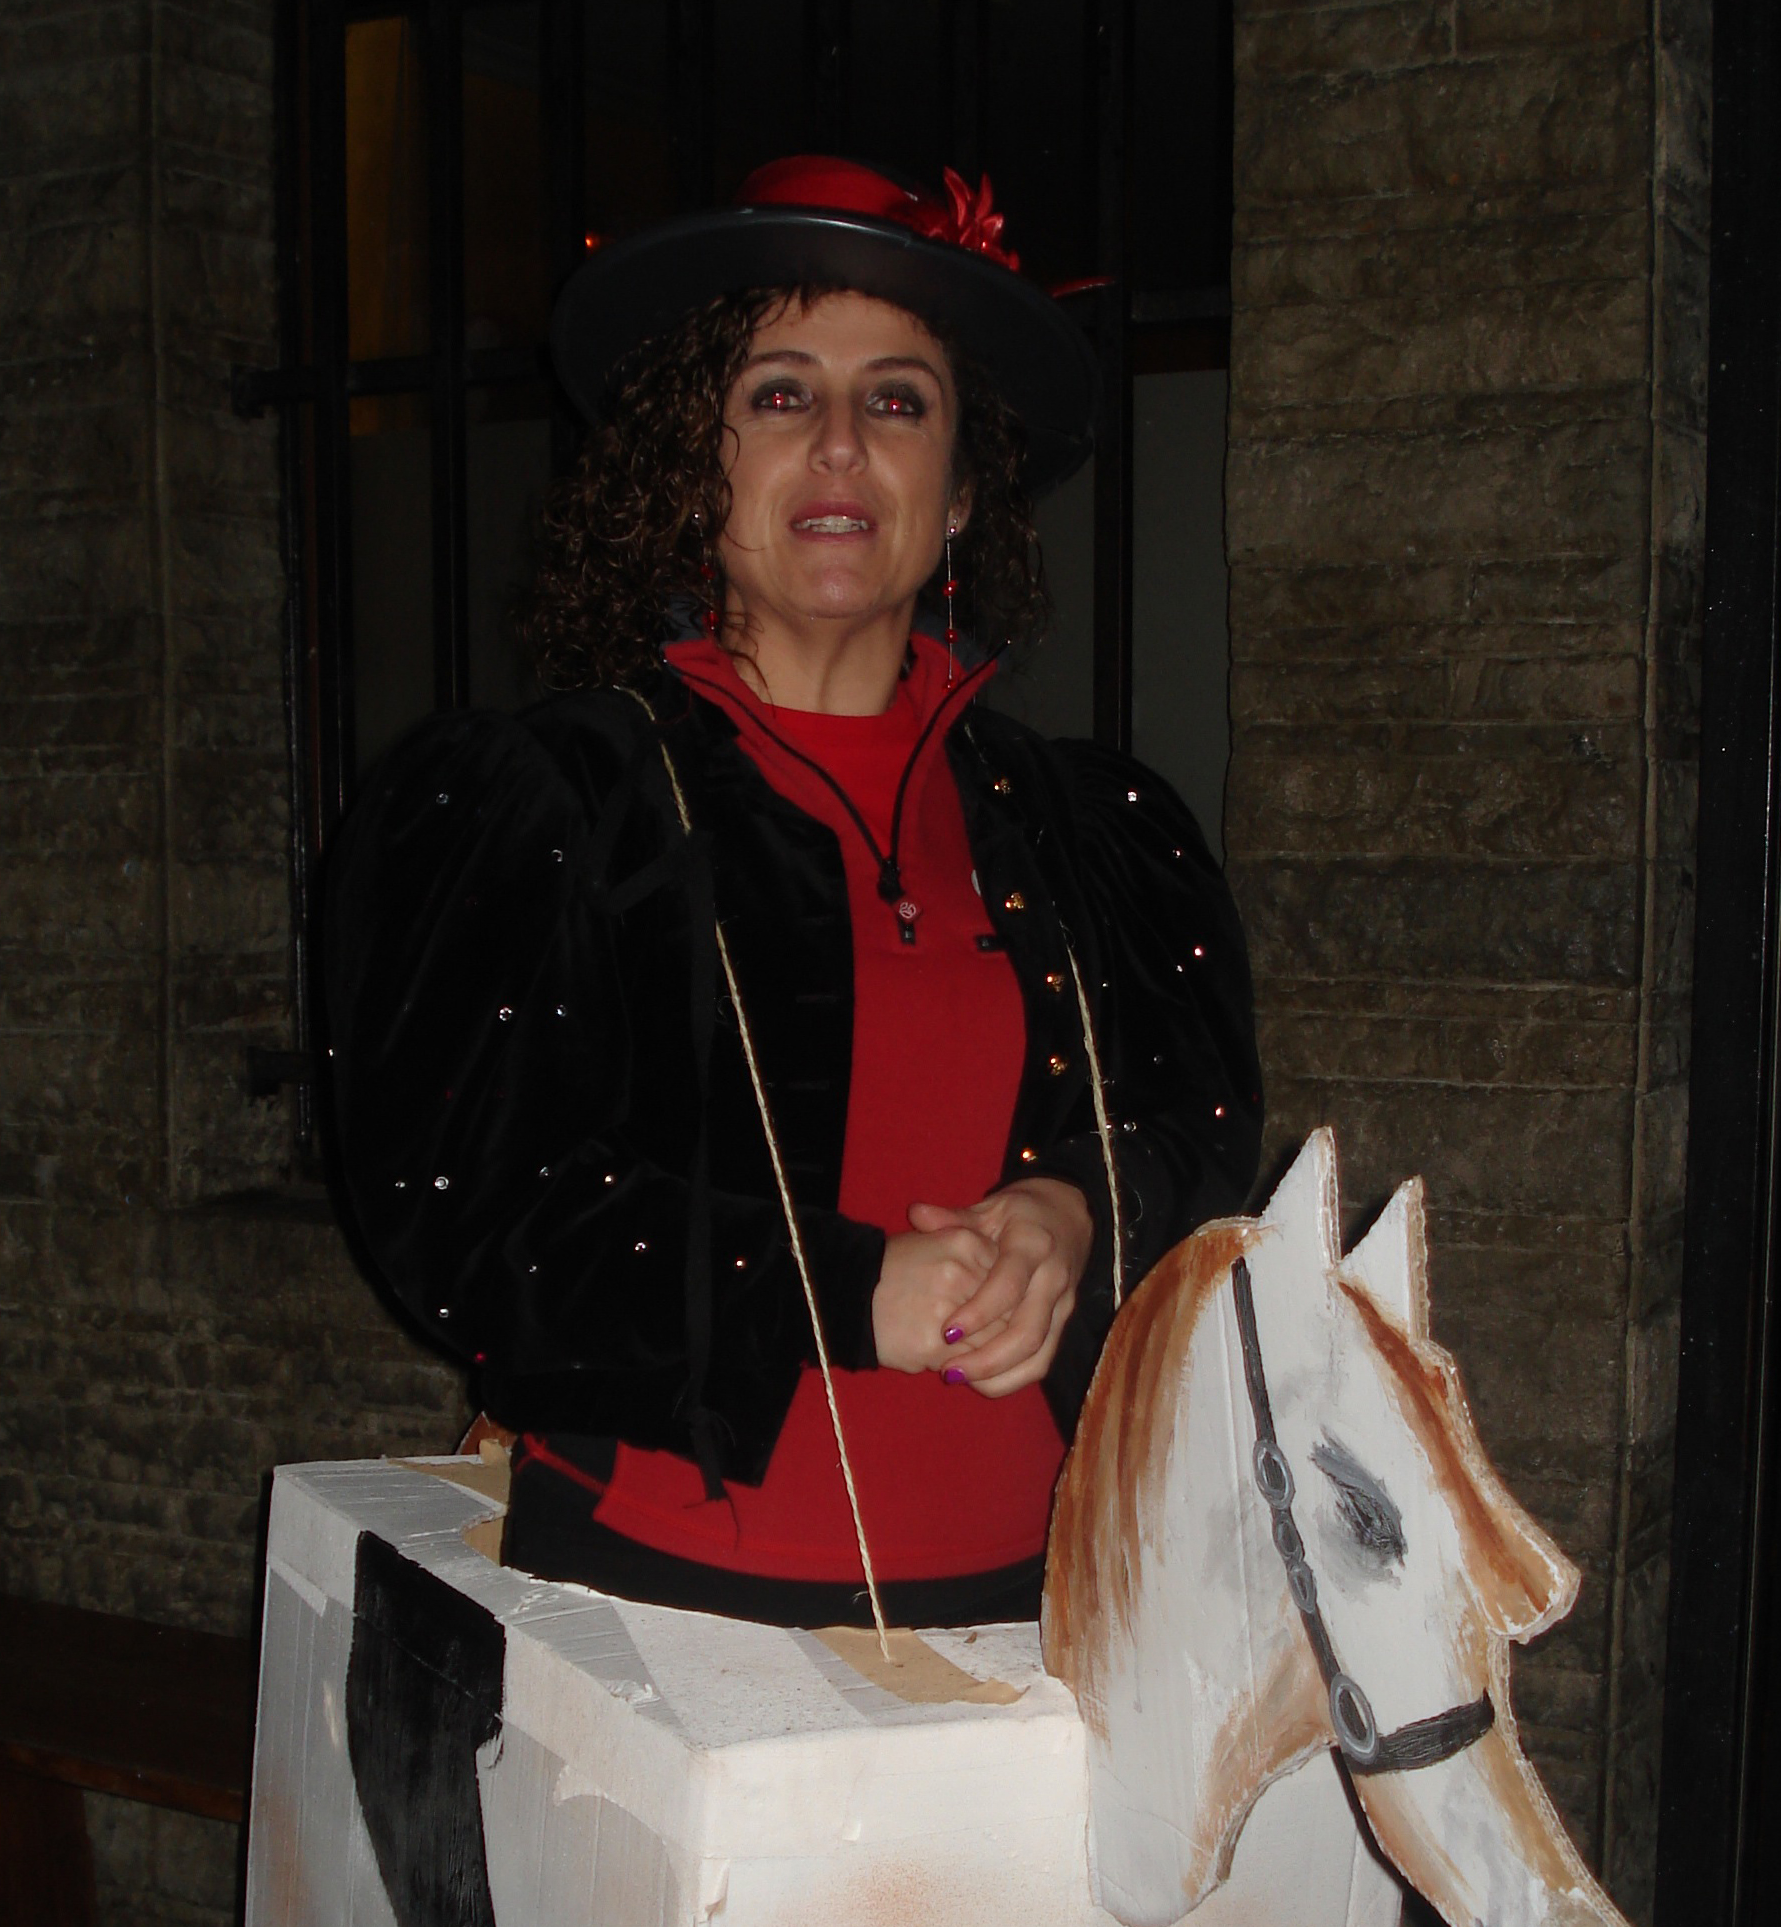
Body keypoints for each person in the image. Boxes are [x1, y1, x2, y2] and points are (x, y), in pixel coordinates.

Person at [324, 154, 1261, 1632]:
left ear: (961, 491)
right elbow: (475, 1216)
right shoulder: (557, 798)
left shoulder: (1086, 826)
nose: (838, 443)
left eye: (898, 401)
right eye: (778, 395)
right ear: (694, 468)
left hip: (1047, 1613)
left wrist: (1080, 1210)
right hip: (665, 1610)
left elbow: (1201, 1138)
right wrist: (841, 1290)